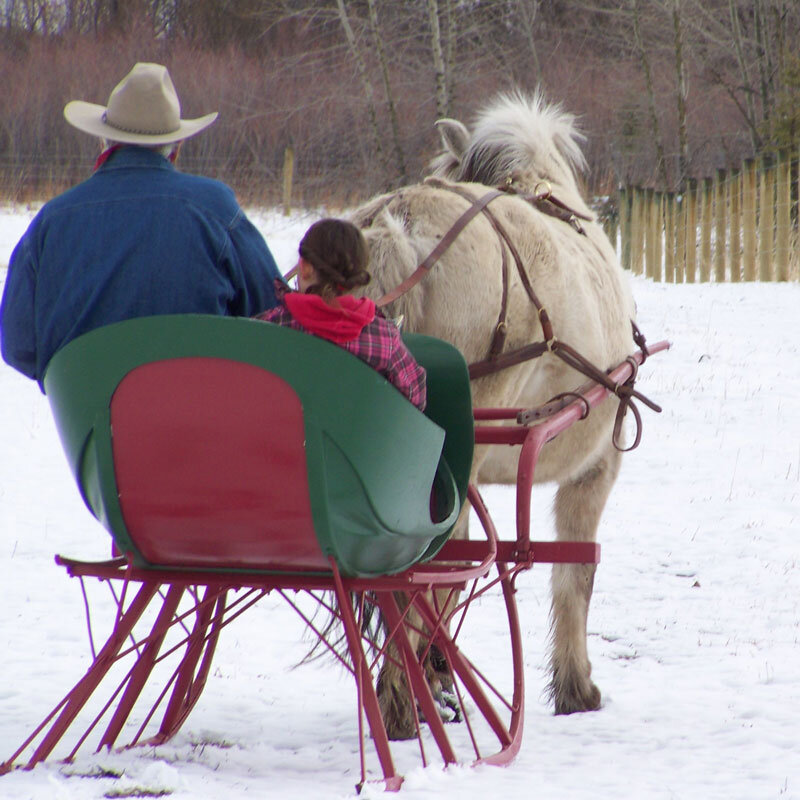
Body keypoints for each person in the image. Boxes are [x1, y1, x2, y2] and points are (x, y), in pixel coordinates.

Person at [0, 62, 283, 387]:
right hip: (199, 406)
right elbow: (270, 313)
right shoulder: (216, 208)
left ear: (104, 142)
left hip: (85, 413)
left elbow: (18, 347)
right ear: (176, 148)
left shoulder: (51, 220)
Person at [256, 218, 426, 410]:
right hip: (359, 429)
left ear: (305, 268)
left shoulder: (270, 326)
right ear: (357, 278)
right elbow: (416, 398)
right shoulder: (385, 341)